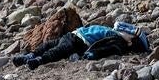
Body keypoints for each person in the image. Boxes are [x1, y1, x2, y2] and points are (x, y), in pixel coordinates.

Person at [12, 22, 150, 70]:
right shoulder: (115, 33)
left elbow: (106, 48)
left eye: (130, 34)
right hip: (73, 35)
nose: (125, 31)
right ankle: (30, 55)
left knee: (57, 51)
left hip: (78, 41)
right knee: (48, 45)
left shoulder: (118, 41)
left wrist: (93, 54)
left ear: (131, 42)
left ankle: (37, 60)